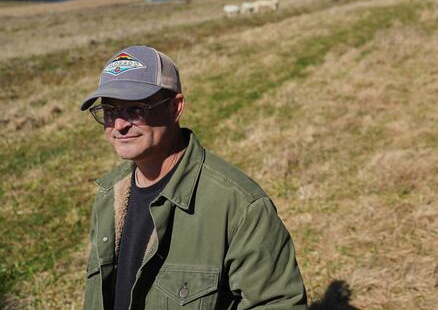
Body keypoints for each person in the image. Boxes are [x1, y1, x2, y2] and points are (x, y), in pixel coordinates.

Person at [81, 45, 307, 309]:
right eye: (110, 111)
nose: (119, 125)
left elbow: (278, 303)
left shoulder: (239, 207)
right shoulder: (109, 195)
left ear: (175, 108)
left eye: (135, 109)